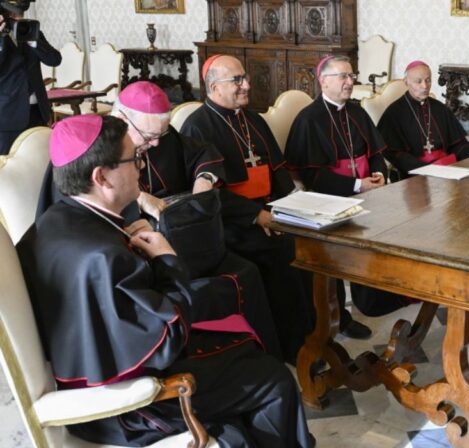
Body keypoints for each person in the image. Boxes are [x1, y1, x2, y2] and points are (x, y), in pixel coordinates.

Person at [17, 114, 314, 447]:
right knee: (273, 378)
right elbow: (166, 337)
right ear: (101, 177)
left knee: (245, 351)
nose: (141, 168)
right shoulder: (102, 255)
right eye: (134, 159)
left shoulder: (54, 221)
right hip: (126, 405)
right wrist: (167, 260)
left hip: (99, 370)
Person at [35, 81, 285, 359]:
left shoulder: (160, 135)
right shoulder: (85, 150)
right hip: (131, 258)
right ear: (121, 119)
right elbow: (78, 213)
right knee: (219, 282)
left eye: (160, 135)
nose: (155, 145)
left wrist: (205, 178)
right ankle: (205, 357)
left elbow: (201, 151)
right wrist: (138, 198)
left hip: (175, 238)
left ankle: (263, 355)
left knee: (246, 271)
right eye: (148, 136)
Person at [179, 56, 315, 357]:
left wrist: (287, 207)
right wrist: (257, 216)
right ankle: (290, 348)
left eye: (245, 78)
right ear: (214, 86)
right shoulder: (197, 127)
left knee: (308, 245)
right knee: (285, 257)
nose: (247, 85)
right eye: (237, 80)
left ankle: (316, 334)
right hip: (232, 224)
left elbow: (277, 169)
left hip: (270, 210)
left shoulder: (252, 119)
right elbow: (209, 195)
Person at [284, 55, 411, 334]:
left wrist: (379, 174)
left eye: (351, 76)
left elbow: (376, 153)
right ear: (323, 81)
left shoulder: (356, 112)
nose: (349, 82)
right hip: (330, 197)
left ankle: (380, 296)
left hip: (368, 190)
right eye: (342, 76)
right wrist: (357, 186)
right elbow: (311, 175)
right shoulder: (309, 119)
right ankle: (339, 316)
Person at [378, 60, 469, 178]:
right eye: (418, 81)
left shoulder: (440, 108)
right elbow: (394, 153)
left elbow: (458, 144)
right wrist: (426, 170)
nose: (425, 86)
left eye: (428, 80)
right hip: (415, 173)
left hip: (447, 168)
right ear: (406, 82)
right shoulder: (394, 113)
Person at [0, 0, 60, 155]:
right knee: (9, 169)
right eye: (12, 14)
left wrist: (33, 42)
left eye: (20, 13)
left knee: (42, 159)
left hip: (38, 112)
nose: (18, 17)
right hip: (8, 117)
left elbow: (55, 59)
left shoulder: (32, 32)